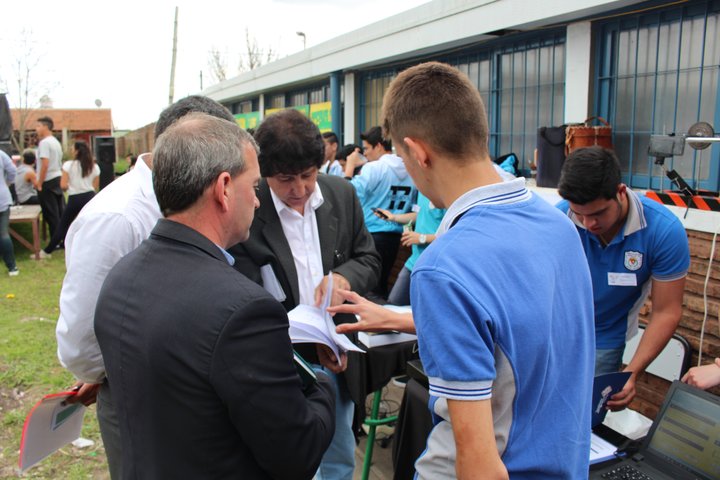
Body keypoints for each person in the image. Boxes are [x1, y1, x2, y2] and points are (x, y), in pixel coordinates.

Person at [379, 61, 595, 479]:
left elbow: (479, 463)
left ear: (418, 152)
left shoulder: (444, 267)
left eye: (402, 158)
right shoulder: (560, 226)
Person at [94, 113, 335, 479]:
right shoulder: (243, 310)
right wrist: (322, 385)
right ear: (224, 188)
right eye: (254, 186)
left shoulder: (120, 277)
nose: (258, 201)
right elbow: (297, 452)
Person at [55, 95, 238, 480]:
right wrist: (106, 371)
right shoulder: (117, 218)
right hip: (140, 397)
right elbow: (83, 339)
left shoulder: (199, 199)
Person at [228, 109, 380, 480]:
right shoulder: (247, 208)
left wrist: (343, 278)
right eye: (285, 180)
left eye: (308, 175)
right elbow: (241, 290)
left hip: (336, 354)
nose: (299, 189)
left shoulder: (341, 194)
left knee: (340, 457)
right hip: (279, 360)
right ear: (264, 173)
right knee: (289, 464)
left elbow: (368, 258)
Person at [557, 146, 690, 410]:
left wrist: (631, 373)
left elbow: (666, 311)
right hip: (556, 330)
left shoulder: (663, 231)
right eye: (580, 214)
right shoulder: (559, 219)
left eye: (597, 214)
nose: (588, 224)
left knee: (587, 416)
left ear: (620, 192)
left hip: (606, 337)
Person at [344, 125, 416, 298]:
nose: (365, 153)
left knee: (367, 288)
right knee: (381, 285)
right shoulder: (412, 170)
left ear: (379, 146)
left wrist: (349, 167)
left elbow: (347, 195)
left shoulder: (374, 168)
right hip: (395, 237)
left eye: (367, 148)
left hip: (370, 235)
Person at [38, 141, 100, 257]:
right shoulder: (94, 166)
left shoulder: (68, 165)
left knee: (64, 224)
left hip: (75, 197)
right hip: (90, 197)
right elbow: (95, 185)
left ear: (76, 151)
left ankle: (47, 251)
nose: (71, 151)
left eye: (72, 149)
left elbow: (63, 185)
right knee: (92, 224)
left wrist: (71, 186)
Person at [35, 116, 65, 236]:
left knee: (51, 214)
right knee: (59, 211)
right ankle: (62, 238)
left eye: (38, 126)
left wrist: (39, 183)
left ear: (46, 127)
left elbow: (45, 164)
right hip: (57, 177)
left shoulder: (44, 143)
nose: (36, 129)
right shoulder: (55, 142)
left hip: (48, 180)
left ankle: (55, 240)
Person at [1, 149, 18, 276]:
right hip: (2, 197)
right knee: (3, 233)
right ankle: (12, 267)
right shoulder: (1, 154)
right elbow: (12, 170)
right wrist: (6, 183)